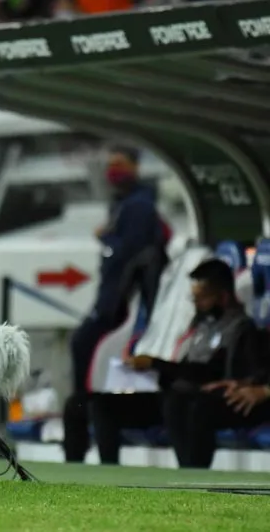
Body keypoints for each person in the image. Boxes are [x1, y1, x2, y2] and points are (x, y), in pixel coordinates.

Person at [63, 145, 167, 463]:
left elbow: (130, 257)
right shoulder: (123, 204)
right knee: (81, 354)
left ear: (135, 166)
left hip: (117, 309)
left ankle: (81, 436)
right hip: (111, 303)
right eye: (110, 164)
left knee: (83, 355)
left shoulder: (138, 206)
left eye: (120, 164)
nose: (113, 171)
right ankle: (81, 432)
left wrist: (107, 237)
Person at [125, 258, 266, 469]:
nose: (196, 304)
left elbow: (215, 372)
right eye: (194, 298)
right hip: (188, 392)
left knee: (192, 406)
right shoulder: (200, 326)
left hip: (219, 397)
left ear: (223, 297)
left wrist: (258, 387)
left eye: (202, 298)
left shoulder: (240, 328)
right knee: (98, 405)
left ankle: (194, 475)